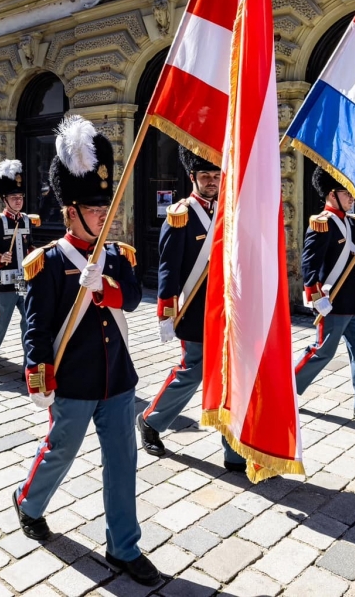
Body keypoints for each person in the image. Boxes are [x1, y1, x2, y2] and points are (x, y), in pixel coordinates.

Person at [12, 116, 158, 585]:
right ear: (71, 211)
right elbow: (35, 325)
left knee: (123, 462)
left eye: (106, 208)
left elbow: (134, 299)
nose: (104, 216)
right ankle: (28, 502)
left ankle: (123, 546)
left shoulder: (118, 255)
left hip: (118, 379)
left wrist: (107, 288)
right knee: (60, 452)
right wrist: (38, 372)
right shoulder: (49, 262)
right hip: (72, 381)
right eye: (95, 209)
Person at [138, 147, 246, 472]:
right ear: (193, 178)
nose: (212, 181)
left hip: (228, 310)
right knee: (194, 371)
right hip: (195, 310)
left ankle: (233, 451)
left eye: (216, 176)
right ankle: (151, 422)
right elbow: (167, 269)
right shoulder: (180, 215)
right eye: (205, 176)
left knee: (231, 376)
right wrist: (166, 313)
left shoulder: (227, 210)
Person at [295, 167, 355, 426]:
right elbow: (309, 265)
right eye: (345, 192)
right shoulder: (322, 224)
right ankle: (286, 391)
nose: (351, 197)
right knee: (322, 353)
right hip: (333, 302)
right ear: (331, 194)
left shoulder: (353, 222)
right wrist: (316, 298)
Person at [0, 159, 39, 373]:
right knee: (2, 320)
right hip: (4, 280)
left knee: (29, 321)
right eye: (14, 197)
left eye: (20, 197)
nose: (18, 201)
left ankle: (27, 365)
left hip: (24, 279)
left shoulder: (28, 221)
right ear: (5, 199)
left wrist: (33, 252)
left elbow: (28, 245)